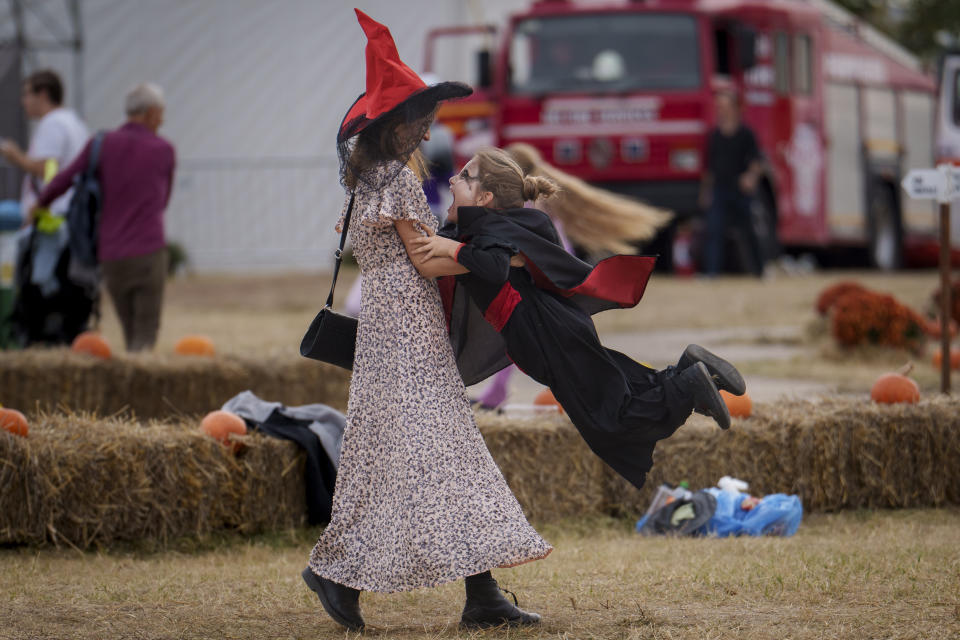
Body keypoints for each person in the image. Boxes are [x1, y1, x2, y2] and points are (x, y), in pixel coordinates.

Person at [302, 11, 550, 632]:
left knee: (405, 453)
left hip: (389, 327)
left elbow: (385, 249)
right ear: (395, 124)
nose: (427, 124)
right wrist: (489, 258)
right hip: (407, 326)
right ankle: (339, 575)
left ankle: (477, 591)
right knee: (434, 449)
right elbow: (422, 257)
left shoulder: (367, 180)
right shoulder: (400, 183)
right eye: (417, 114)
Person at [412, 148, 746, 492]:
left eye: (465, 176)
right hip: (553, 327)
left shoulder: (489, 229)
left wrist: (448, 250)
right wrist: (438, 242)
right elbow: (464, 258)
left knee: (612, 421)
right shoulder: (498, 225)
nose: (452, 179)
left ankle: (688, 386)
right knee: (619, 389)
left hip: (546, 333)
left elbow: (493, 266)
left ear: (485, 197)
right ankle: (686, 373)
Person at [31, 83, 176, 352]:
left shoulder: (101, 143)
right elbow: (163, 200)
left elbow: (64, 178)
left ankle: (131, 382)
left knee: (128, 329)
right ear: (151, 112)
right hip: (148, 251)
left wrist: (38, 205)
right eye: (161, 113)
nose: (163, 119)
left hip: (111, 256)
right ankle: (141, 387)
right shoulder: (164, 149)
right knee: (145, 337)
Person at [0, 69, 89, 220]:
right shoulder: (74, 122)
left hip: (53, 215)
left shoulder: (52, 123)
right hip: (70, 210)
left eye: (27, 94)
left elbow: (47, 169)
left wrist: (16, 156)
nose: (23, 102)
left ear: (43, 95)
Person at [700, 90, 765, 277]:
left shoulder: (746, 134)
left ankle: (760, 271)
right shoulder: (714, 135)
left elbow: (756, 160)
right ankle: (712, 273)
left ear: (736, 109)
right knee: (714, 230)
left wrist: (751, 177)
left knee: (749, 231)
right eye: (719, 107)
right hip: (720, 188)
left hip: (740, 190)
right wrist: (705, 193)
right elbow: (709, 168)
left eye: (725, 106)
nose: (721, 110)